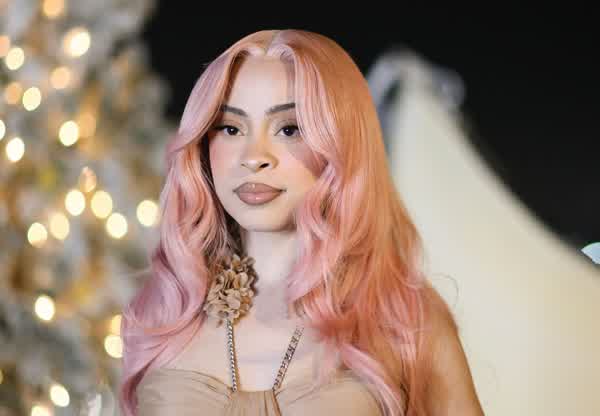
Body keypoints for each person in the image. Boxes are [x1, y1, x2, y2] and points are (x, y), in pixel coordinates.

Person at [118, 29, 484, 416]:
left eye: (289, 129)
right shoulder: (164, 315)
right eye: (230, 128)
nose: (254, 157)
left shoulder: (407, 322)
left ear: (343, 142)